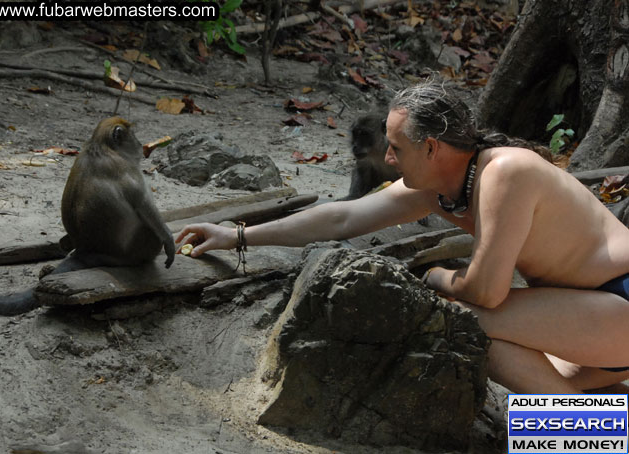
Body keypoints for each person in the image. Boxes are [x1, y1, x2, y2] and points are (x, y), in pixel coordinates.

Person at [176, 80, 629, 394]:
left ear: (432, 147)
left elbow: (486, 292)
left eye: (396, 147)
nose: (389, 159)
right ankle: (596, 427)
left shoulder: (507, 172)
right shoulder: (437, 187)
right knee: (556, 388)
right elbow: (341, 220)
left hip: (618, 301)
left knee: (465, 322)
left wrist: (436, 276)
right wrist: (237, 234)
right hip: (589, 320)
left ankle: (583, 441)